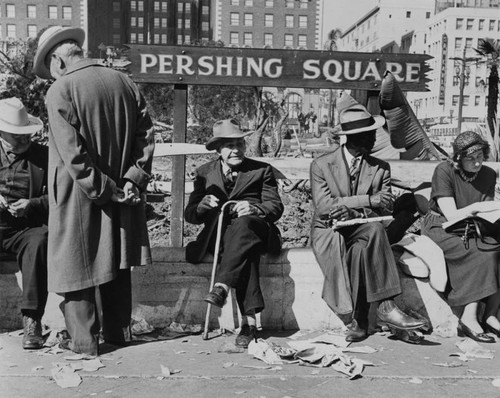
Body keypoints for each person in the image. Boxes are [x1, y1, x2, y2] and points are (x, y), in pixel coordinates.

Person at [33, 26, 155, 355]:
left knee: (74, 262)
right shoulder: (124, 81)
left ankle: (83, 341)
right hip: (124, 191)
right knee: (115, 257)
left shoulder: (60, 89)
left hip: (79, 194)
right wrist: (132, 179)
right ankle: (119, 332)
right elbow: (146, 135)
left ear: (57, 59)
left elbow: (73, 155)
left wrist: (105, 189)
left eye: (49, 67)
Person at [310, 93, 425, 342]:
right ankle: (385, 308)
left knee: (366, 243)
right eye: (370, 133)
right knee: (370, 238)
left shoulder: (380, 167)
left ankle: (366, 320)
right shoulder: (322, 164)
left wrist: (355, 210)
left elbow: (383, 210)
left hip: (364, 227)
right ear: (354, 138)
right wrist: (366, 201)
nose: (375, 137)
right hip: (330, 230)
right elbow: (323, 207)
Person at [184, 119, 284, 348]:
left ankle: (221, 286)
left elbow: (275, 207)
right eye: (229, 146)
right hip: (219, 237)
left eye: (239, 143)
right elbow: (190, 215)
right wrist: (202, 206)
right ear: (218, 150)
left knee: (243, 225)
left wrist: (256, 209)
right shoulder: (204, 173)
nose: (236, 150)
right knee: (243, 254)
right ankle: (249, 324)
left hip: (256, 231)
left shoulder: (260, 170)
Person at [421, 131, 500, 343]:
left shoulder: (488, 174)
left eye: (481, 157)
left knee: (496, 248)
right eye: (471, 158)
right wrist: (477, 207)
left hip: (474, 226)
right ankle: (469, 317)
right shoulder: (444, 171)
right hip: (441, 225)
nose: (477, 163)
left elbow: (486, 212)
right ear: (458, 159)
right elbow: (452, 215)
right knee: (480, 253)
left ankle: (491, 315)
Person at [0, 98, 48, 350]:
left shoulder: (43, 157)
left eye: (26, 135)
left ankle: (32, 320)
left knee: (40, 240)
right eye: (16, 136)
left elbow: (62, 196)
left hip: (23, 229)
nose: (23, 140)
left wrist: (33, 203)